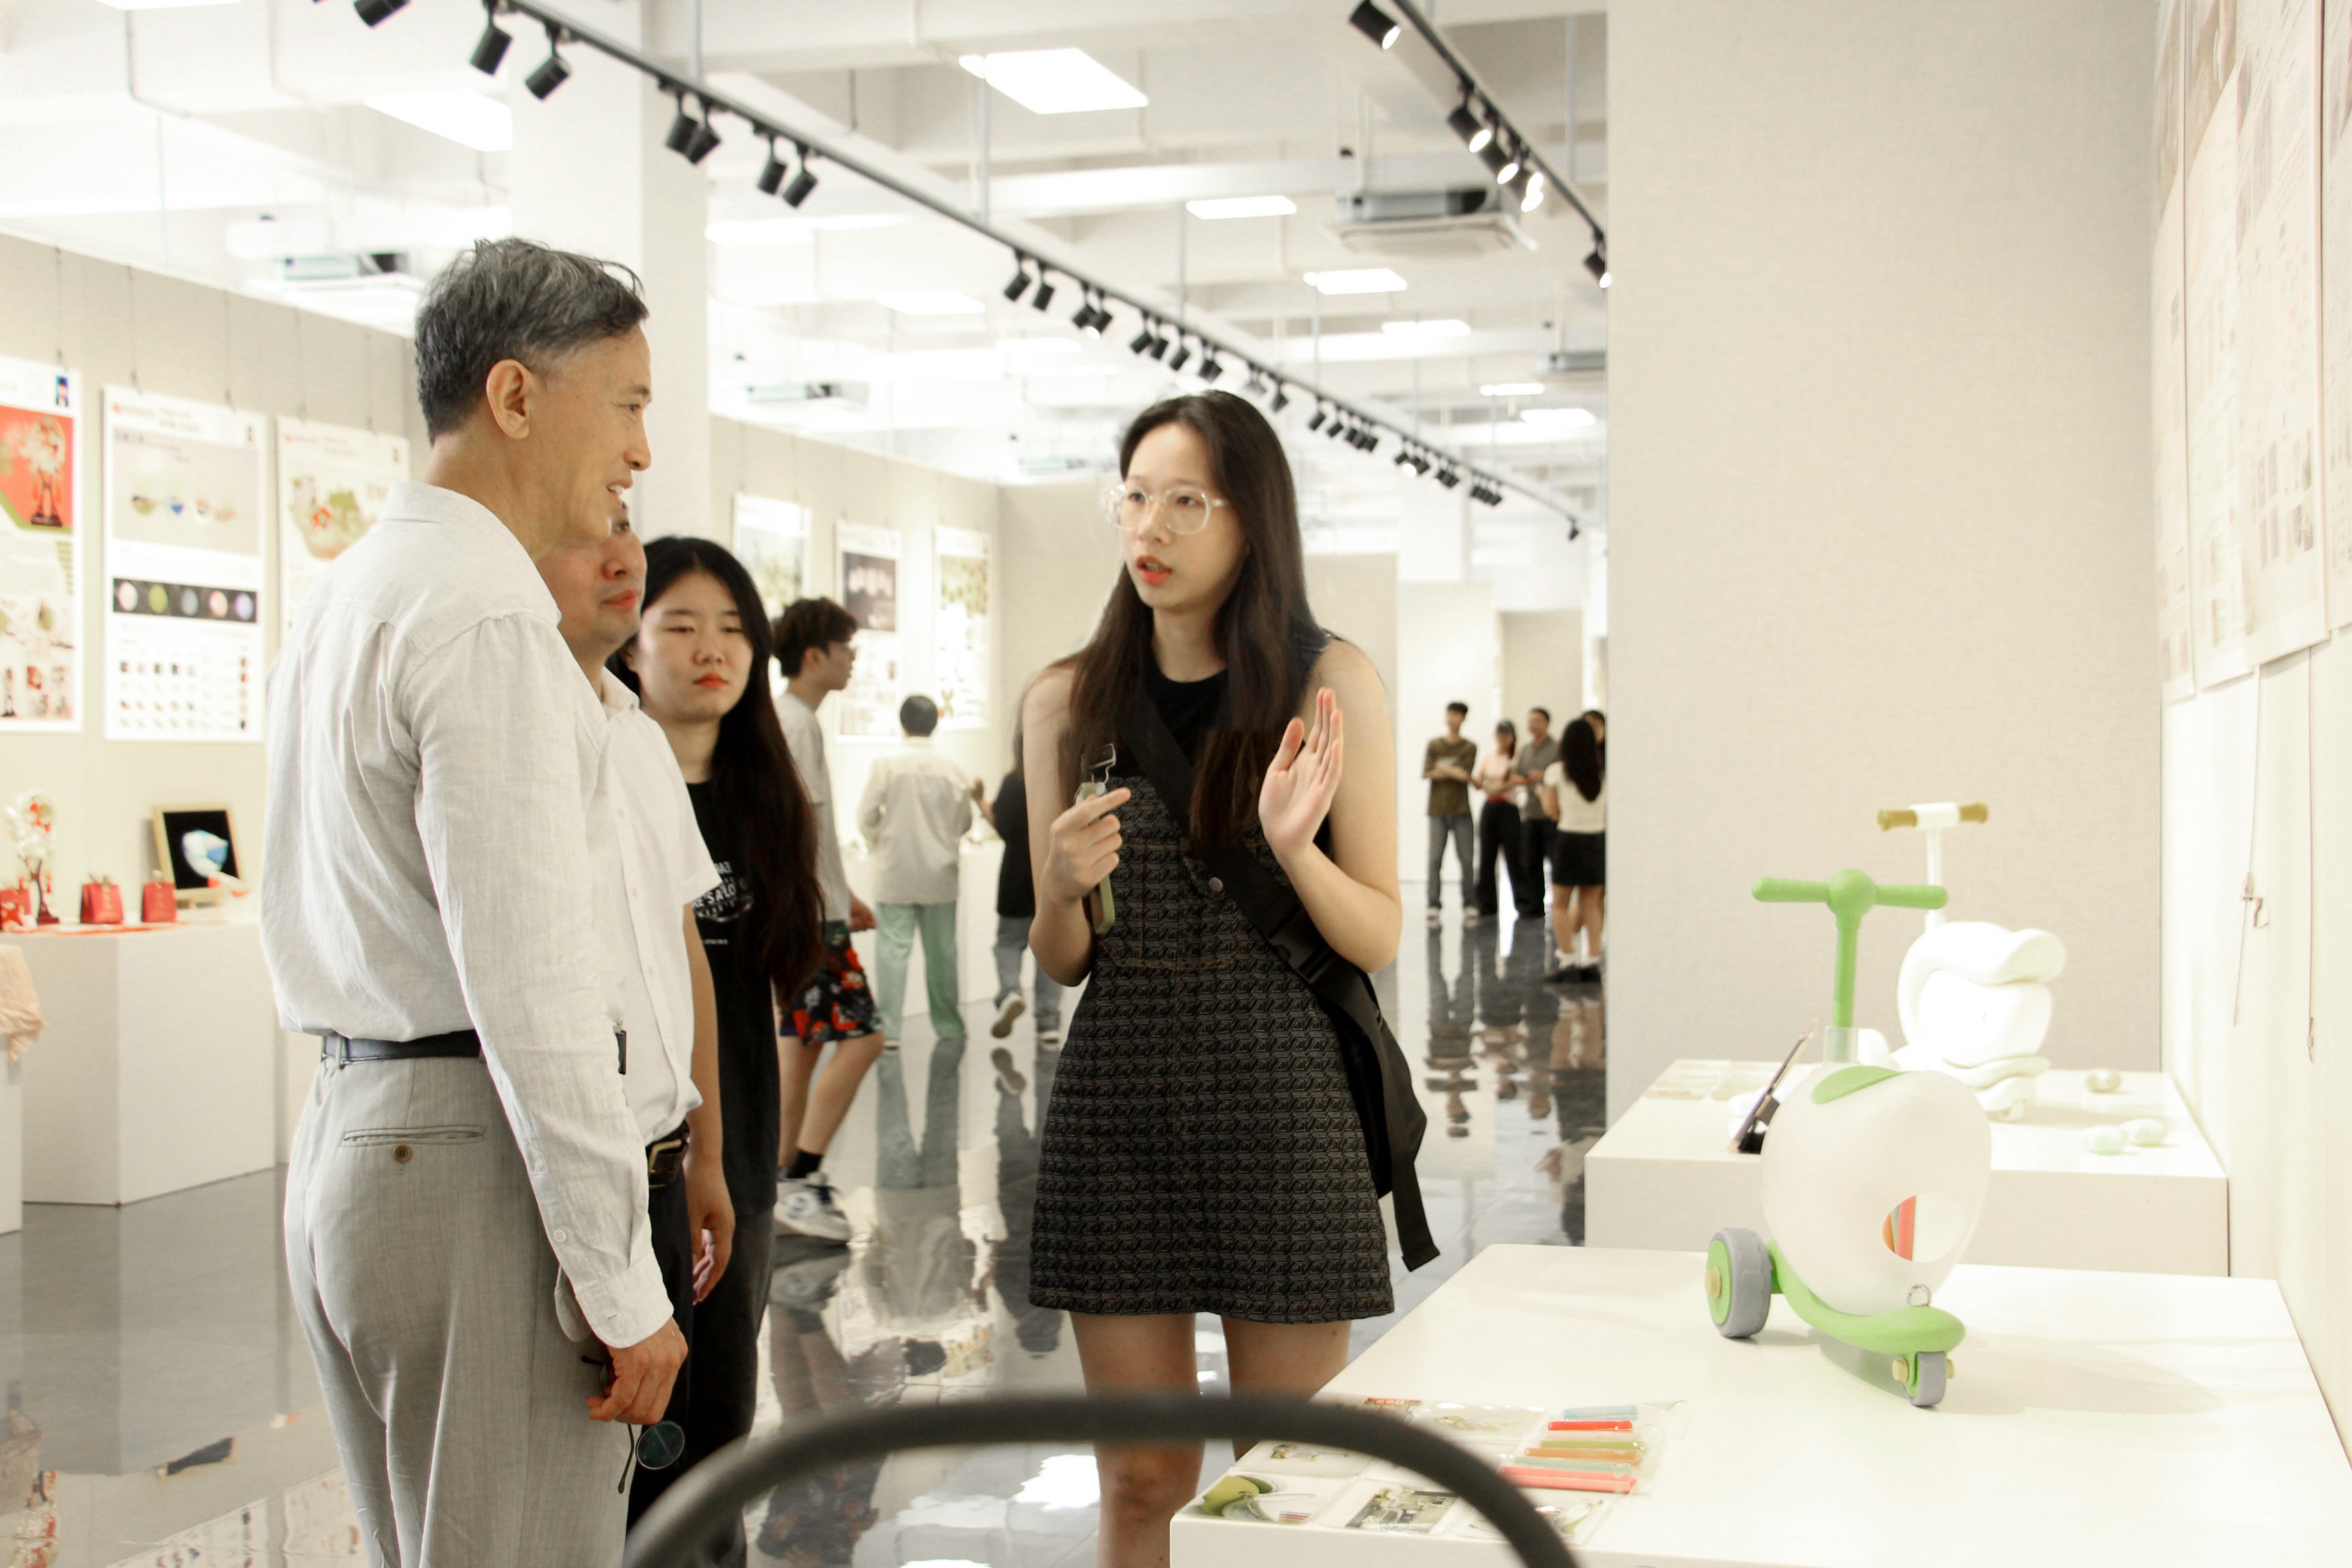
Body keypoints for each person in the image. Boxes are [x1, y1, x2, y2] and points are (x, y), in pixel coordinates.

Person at [267, 237, 684, 1567]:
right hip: (472, 1160)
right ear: (515, 395)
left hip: (355, 1136)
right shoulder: (487, 613)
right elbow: (533, 979)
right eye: (625, 405)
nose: (639, 452)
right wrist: (621, 1280)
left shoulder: (350, 590)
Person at [1023, 390, 1401, 1567]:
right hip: (1118, 1105)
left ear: (1252, 519)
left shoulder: (1327, 682)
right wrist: (1057, 885)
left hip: (1284, 1100)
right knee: (1140, 1478)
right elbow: (1064, 956)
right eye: (1136, 496)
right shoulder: (1068, 698)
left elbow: (1379, 931)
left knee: (1279, 1483)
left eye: (1187, 500)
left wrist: (1296, 850)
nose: (1152, 526)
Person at [612, 536, 826, 1556]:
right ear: (631, 643)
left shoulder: (765, 797)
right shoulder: (608, 785)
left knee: (723, 1430)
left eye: (735, 629)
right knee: (639, 1441)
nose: (714, 651)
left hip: (736, 1158)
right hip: (633, 1159)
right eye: (683, 625)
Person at [537, 511, 732, 1529]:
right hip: (568, 1173)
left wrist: (705, 1154)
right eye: (587, 533)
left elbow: (679, 948)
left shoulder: (638, 738)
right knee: (568, 1496)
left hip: (659, 1168)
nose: (623, 561)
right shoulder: (518, 732)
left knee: (665, 1481)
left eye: (627, 531)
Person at [770, 596, 887, 1243]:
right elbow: (789, 832)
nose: (853, 662)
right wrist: (824, 908)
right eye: (847, 650)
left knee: (803, 1044)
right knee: (863, 1039)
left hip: (812, 910)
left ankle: (782, 1174)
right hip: (808, 920)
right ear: (814, 656)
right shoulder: (795, 725)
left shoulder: (790, 720)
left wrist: (845, 894)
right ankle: (801, 1176)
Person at [857, 693, 977, 1049]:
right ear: (935, 724)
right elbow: (965, 822)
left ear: (902, 723)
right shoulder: (953, 769)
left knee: (892, 953)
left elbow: (865, 816)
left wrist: (880, 841)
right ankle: (949, 1025)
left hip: (895, 871)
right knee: (943, 955)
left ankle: (890, 1030)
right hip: (940, 874)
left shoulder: (887, 765)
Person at [977, 747, 1063, 1049]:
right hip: (1051, 876)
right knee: (1050, 951)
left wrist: (979, 800)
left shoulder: (1014, 781)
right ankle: (1048, 1024)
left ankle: (1011, 992)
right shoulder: (1060, 780)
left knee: (1008, 942)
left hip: (1015, 876)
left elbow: (1001, 826)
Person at [1542, 714, 1607, 981]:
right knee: (1591, 904)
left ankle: (1568, 960)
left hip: (1569, 840)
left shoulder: (1556, 772)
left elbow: (1551, 810)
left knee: (1560, 904)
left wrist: (1541, 795)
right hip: (1596, 840)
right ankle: (1593, 960)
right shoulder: (1603, 772)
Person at [1421, 700, 1479, 928]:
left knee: (1467, 860)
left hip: (1462, 810)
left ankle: (1469, 903)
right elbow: (1428, 772)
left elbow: (1465, 775)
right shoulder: (1434, 745)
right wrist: (1454, 771)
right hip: (1437, 810)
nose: (1452, 718)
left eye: (1457, 714)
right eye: (1450, 714)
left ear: (1463, 718)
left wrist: (1443, 768)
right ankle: (1433, 904)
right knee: (1435, 859)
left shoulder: (1469, 747)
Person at [1509, 707, 1561, 919]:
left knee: (1555, 861)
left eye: (1537, 720)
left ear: (1547, 723)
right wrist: (1524, 779)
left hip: (1551, 814)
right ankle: (1535, 905)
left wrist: (1544, 775)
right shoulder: (1526, 750)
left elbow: (1561, 775)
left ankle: (1558, 904)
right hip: (1530, 813)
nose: (1533, 724)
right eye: (1530, 721)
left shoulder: (1557, 748)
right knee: (1531, 861)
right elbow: (1516, 774)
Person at [1473, 718, 1522, 919]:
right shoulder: (1488, 758)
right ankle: (1486, 903)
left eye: (1506, 735)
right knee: (1486, 856)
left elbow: (1515, 780)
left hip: (1508, 808)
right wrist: (1485, 787)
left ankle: (1522, 901)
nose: (1503, 738)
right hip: (1490, 808)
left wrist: (1495, 788)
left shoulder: (1516, 758)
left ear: (1512, 737)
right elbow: (1479, 780)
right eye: (1500, 734)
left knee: (1514, 855)